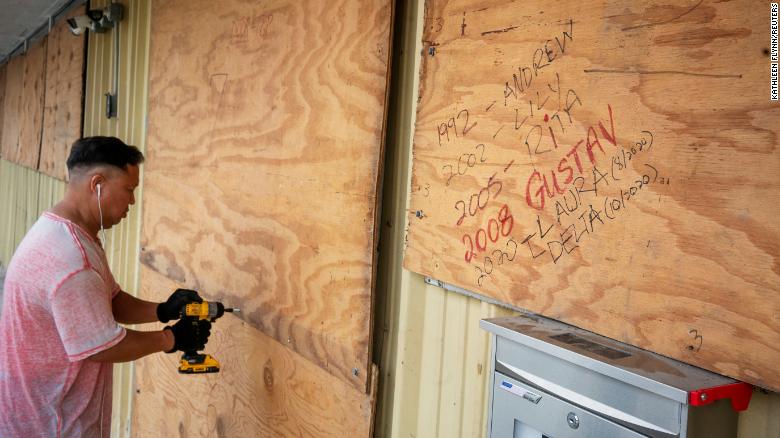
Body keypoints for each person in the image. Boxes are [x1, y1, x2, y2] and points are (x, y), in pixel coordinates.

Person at [0, 136, 210, 437]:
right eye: (129, 190)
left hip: (33, 414)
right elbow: (101, 345)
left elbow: (108, 302)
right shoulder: (72, 263)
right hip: (53, 425)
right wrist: (171, 339)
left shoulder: (62, 233)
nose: (133, 201)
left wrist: (163, 310)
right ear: (97, 183)